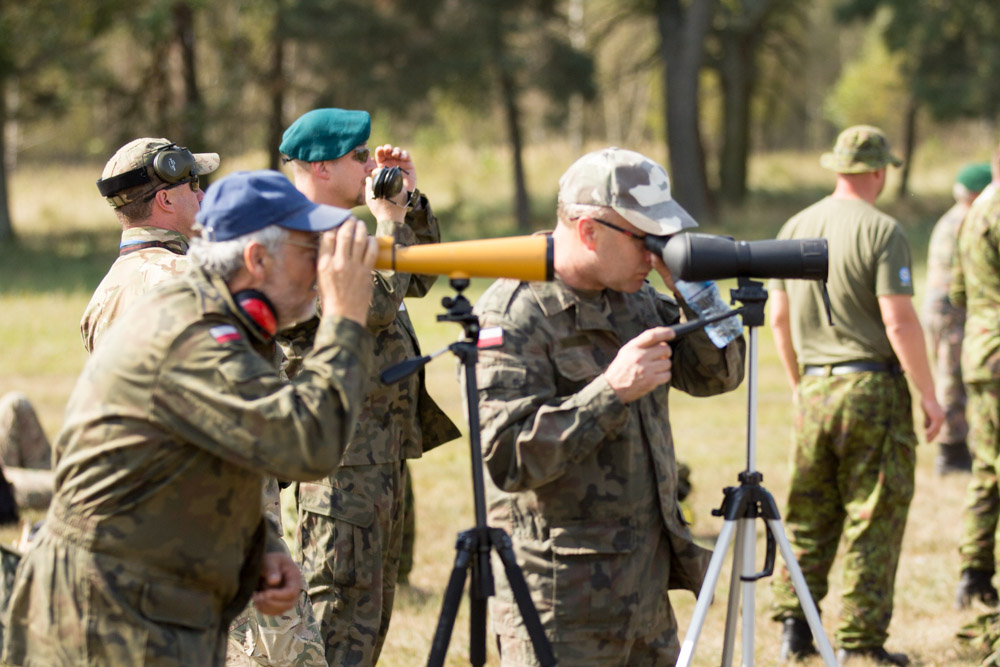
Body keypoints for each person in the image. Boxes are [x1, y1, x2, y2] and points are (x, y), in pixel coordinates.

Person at [1, 170, 378, 666]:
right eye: (309, 252)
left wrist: (258, 545)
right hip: (103, 612)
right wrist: (345, 319)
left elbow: (202, 457)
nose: (321, 269)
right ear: (256, 259)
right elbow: (308, 446)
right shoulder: (194, 334)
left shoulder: (212, 317)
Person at [473, 147, 746, 665]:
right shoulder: (515, 313)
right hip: (560, 606)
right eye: (645, 238)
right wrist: (610, 392)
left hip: (643, 594)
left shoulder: (635, 297)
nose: (654, 253)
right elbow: (506, 459)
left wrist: (695, 291)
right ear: (588, 230)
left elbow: (721, 373)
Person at [82, 137, 327, 666]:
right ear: (166, 199)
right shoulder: (196, 282)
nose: (202, 194)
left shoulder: (108, 290)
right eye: (193, 183)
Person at [279, 107, 460, 665]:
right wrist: (386, 220)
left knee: (371, 612)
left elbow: (421, 274)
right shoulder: (296, 235)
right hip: (338, 463)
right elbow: (374, 307)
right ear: (320, 167)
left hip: (377, 453)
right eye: (359, 157)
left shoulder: (344, 228)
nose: (368, 165)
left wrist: (409, 202)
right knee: (337, 617)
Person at [768, 125, 944, 665]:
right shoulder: (883, 230)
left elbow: (777, 318)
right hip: (871, 388)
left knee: (808, 510)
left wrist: (801, 383)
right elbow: (899, 321)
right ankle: (861, 639)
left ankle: (795, 626)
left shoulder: (793, 225)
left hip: (816, 386)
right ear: (877, 171)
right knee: (874, 512)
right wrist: (930, 396)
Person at [952, 143, 1000, 610]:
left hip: (981, 350)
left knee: (987, 467)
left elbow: (957, 291)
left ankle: (975, 572)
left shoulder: (974, 212)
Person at [922, 162, 992, 475]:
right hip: (950, 310)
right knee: (951, 378)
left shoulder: (951, 218)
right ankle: (951, 453)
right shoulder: (968, 220)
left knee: (951, 375)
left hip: (942, 308)